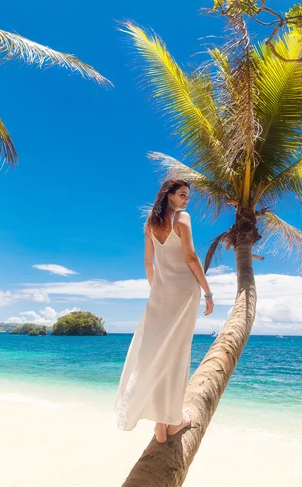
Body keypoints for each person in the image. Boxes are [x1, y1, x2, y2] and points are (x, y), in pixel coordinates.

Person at [114, 178, 214, 444]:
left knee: (155, 352)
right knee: (176, 353)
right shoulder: (182, 219)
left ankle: (161, 426)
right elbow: (191, 258)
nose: (186, 200)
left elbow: (149, 263)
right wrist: (208, 292)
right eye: (182, 195)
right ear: (168, 196)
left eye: (187, 197)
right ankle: (171, 422)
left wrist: (158, 289)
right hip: (184, 292)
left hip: (160, 295)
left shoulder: (150, 224)